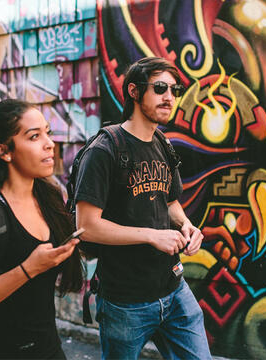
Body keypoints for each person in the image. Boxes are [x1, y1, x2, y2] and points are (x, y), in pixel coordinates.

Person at [74, 57, 212, 359]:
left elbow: (170, 200)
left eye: (174, 90)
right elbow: (86, 226)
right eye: (160, 88)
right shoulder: (104, 150)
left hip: (174, 289)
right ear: (134, 92)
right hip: (126, 302)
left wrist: (186, 225)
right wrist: (152, 235)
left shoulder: (162, 143)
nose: (169, 97)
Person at [0, 99, 84, 359]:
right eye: (34, 136)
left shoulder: (49, 197)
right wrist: (28, 268)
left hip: (46, 349)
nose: (49, 144)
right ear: (3, 151)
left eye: (48, 132)